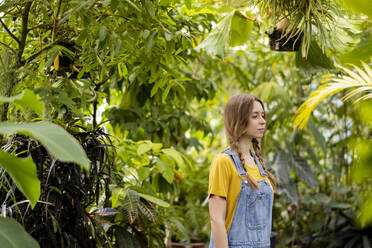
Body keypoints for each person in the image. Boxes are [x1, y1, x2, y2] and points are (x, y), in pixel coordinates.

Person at [208, 94, 277, 248]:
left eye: (263, 115)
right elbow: (216, 220)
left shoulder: (258, 163)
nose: (263, 121)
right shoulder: (223, 162)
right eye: (255, 116)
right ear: (239, 120)